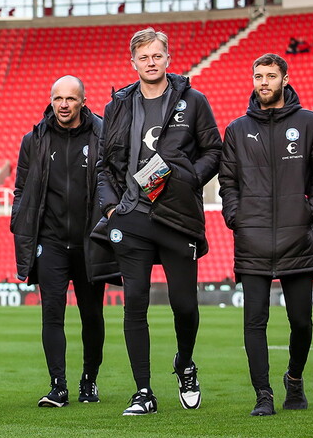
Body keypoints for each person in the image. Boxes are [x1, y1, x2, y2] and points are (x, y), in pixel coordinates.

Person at [95, 27, 222, 415]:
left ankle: (184, 364)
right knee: (134, 302)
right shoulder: (118, 105)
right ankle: (144, 391)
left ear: (168, 59)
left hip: (176, 217)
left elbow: (213, 150)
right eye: (143, 58)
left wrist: (188, 181)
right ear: (133, 63)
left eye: (156, 56)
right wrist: (112, 207)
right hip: (132, 216)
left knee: (184, 304)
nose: (150, 63)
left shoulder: (193, 101)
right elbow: (104, 165)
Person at [218, 53, 313, 417]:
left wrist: (310, 211)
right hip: (251, 238)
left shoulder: (310, 124)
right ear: (253, 80)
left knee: (301, 320)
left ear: (286, 79)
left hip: (296, 237)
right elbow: (228, 182)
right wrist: (235, 216)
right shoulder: (237, 129)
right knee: (254, 321)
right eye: (258, 76)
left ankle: (295, 380)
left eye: (271, 75)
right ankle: (263, 395)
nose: (264, 82)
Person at [11, 76, 108, 408]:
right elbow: (22, 188)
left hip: (90, 240)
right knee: (51, 314)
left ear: (83, 100)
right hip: (50, 242)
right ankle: (58, 386)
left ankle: (89, 381)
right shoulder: (34, 140)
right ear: (51, 101)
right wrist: (18, 221)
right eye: (58, 98)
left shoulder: (102, 134)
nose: (64, 104)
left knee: (92, 314)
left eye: (71, 98)